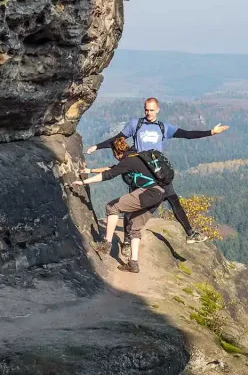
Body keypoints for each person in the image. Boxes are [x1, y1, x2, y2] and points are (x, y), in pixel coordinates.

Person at [86, 97, 229, 255]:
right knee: (131, 206)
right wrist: (97, 147)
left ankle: (190, 233)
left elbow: (187, 134)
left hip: (159, 172)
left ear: (158, 110)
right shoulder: (136, 124)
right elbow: (117, 139)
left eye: (151, 110)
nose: (148, 113)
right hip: (140, 172)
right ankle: (127, 241)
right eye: (146, 110)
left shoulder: (163, 127)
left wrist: (211, 132)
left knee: (174, 200)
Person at [73, 137, 166, 273]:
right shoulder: (135, 157)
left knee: (112, 207)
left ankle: (106, 244)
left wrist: (83, 183)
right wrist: (90, 171)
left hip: (148, 193)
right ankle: (133, 264)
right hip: (159, 194)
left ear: (117, 153)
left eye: (114, 154)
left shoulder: (128, 161)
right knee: (134, 228)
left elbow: (109, 174)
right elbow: (113, 168)